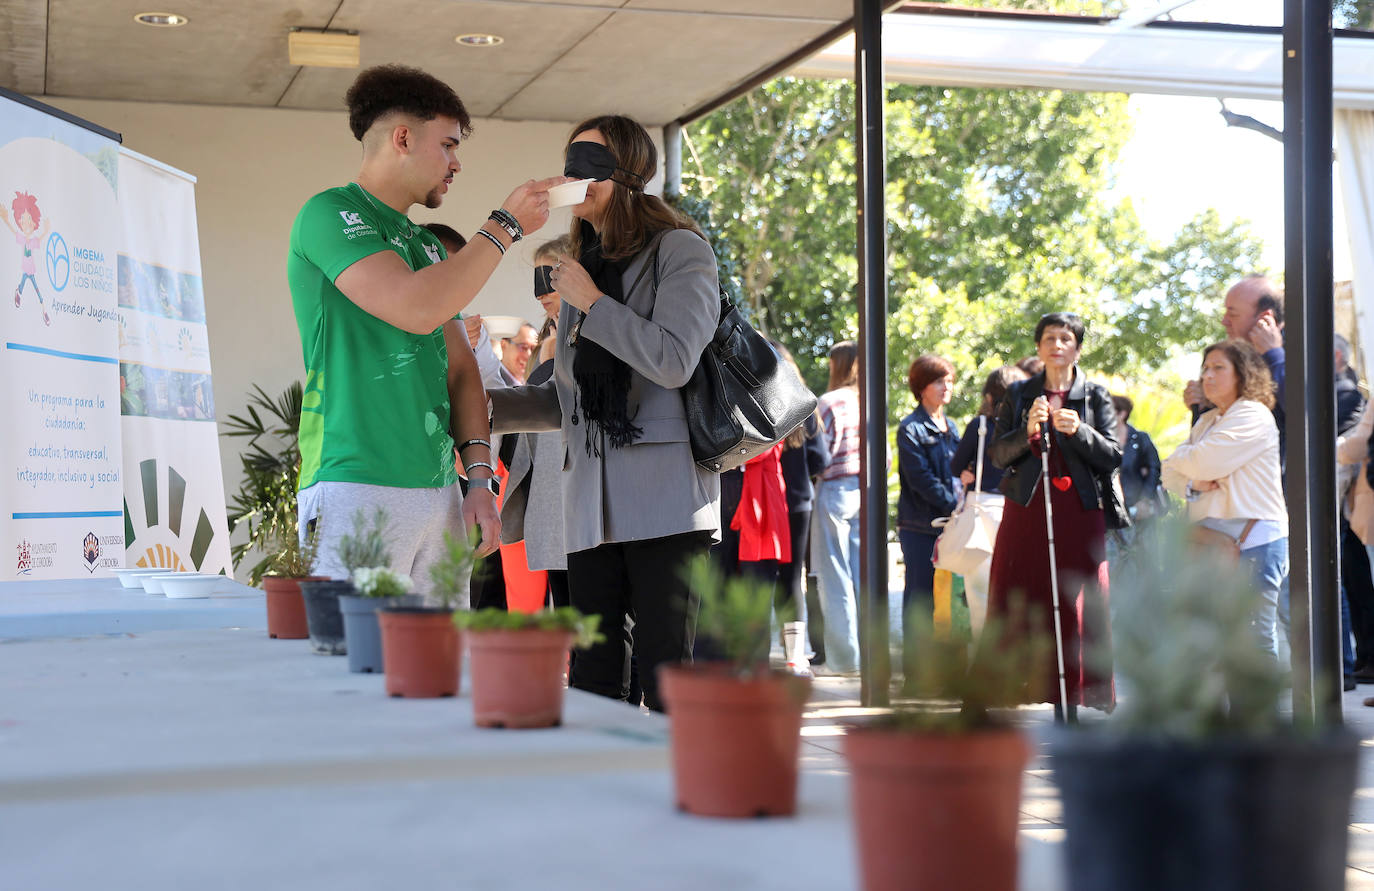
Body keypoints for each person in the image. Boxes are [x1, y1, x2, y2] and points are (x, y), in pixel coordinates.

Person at [286, 64, 561, 595]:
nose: (457, 163)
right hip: (354, 479)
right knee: (354, 664)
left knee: (436, 671)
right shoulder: (328, 213)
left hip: (440, 492)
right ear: (404, 138)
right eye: (449, 145)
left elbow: (461, 372)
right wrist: (503, 226)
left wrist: (479, 482)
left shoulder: (430, 245)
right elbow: (414, 307)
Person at [488, 114, 721, 712]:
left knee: (667, 677)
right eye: (571, 161)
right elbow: (564, 402)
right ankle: (602, 797)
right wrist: (478, 409)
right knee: (592, 678)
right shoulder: (580, 260)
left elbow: (672, 360)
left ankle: (673, 797)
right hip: (587, 505)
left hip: (665, 499)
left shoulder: (680, 250)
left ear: (629, 173)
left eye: (590, 163)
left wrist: (590, 302)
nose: (574, 176)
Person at [984, 312, 1121, 720]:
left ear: (1077, 347)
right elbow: (997, 455)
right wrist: (1027, 430)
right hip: (1027, 510)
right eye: (1049, 338)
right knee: (1018, 596)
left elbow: (1113, 455)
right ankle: (1001, 690)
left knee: (1076, 603)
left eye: (1065, 338)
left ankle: (1074, 701)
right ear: (1039, 346)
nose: (1057, 345)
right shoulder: (1020, 393)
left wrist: (1079, 431)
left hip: (1079, 512)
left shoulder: (1095, 395)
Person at [1162, 340, 1288, 657]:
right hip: (1210, 544)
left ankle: (1256, 710)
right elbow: (1168, 474)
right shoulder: (1207, 421)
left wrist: (1185, 461)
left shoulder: (1253, 414)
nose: (1208, 376)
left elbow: (1202, 462)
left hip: (1253, 542)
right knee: (1214, 647)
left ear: (1243, 374)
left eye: (1219, 367)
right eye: (1205, 369)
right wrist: (1192, 482)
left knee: (1252, 644)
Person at [500, 237, 575, 614]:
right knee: (563, 605)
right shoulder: (551, 341)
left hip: (581, 503)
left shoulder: (590, 334)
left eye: (551, 277)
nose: (541, 293)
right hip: (550, 497)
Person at [950, 365, 1029, 638]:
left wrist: (967, 470)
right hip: (1017, 509)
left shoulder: (980, 426)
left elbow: (955, 466)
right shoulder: (1026, 429)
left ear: (990, 395)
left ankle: (982, 665)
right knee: (1014, 589)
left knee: (980, 592)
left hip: (982, 508)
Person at [895, 355, 961, 645]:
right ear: (921, 386)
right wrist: (954, 505)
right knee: (920, 598)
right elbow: (921, 479)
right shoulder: (910, 428)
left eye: (949, 381)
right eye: (938, 381)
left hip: (953, 525)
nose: (946, 387)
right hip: (920, 527)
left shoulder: (953, 427)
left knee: (949, 599)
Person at [773, 342, 830, 672]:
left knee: (760, 574)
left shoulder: (758, 399)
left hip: (763, 500)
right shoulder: (807, 405)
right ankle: (795, 656)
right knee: (793, 578)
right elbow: (820, 460)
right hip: (798, 501)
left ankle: (752, 652)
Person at [811, 341, 863, 677]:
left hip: (833, 490)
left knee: (835, 578)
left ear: (837, 365)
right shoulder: (869, 400)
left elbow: (821, 455)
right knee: (860, 577)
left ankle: (844, 661)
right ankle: (865, 655)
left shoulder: (828, 403)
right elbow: (884, 459)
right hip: (865, 491)